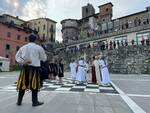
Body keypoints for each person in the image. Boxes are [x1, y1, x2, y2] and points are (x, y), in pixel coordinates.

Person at [15, 34, 47, 107]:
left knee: (22, 84)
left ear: (28, 39)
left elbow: (16, 57)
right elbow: (44, 58)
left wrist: (23, 61)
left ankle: (19, 101)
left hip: (25, 68)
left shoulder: (23, 47)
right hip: (35, 69)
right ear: (35, 40)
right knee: (34, 85)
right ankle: (34, 102)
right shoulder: (39, 48)